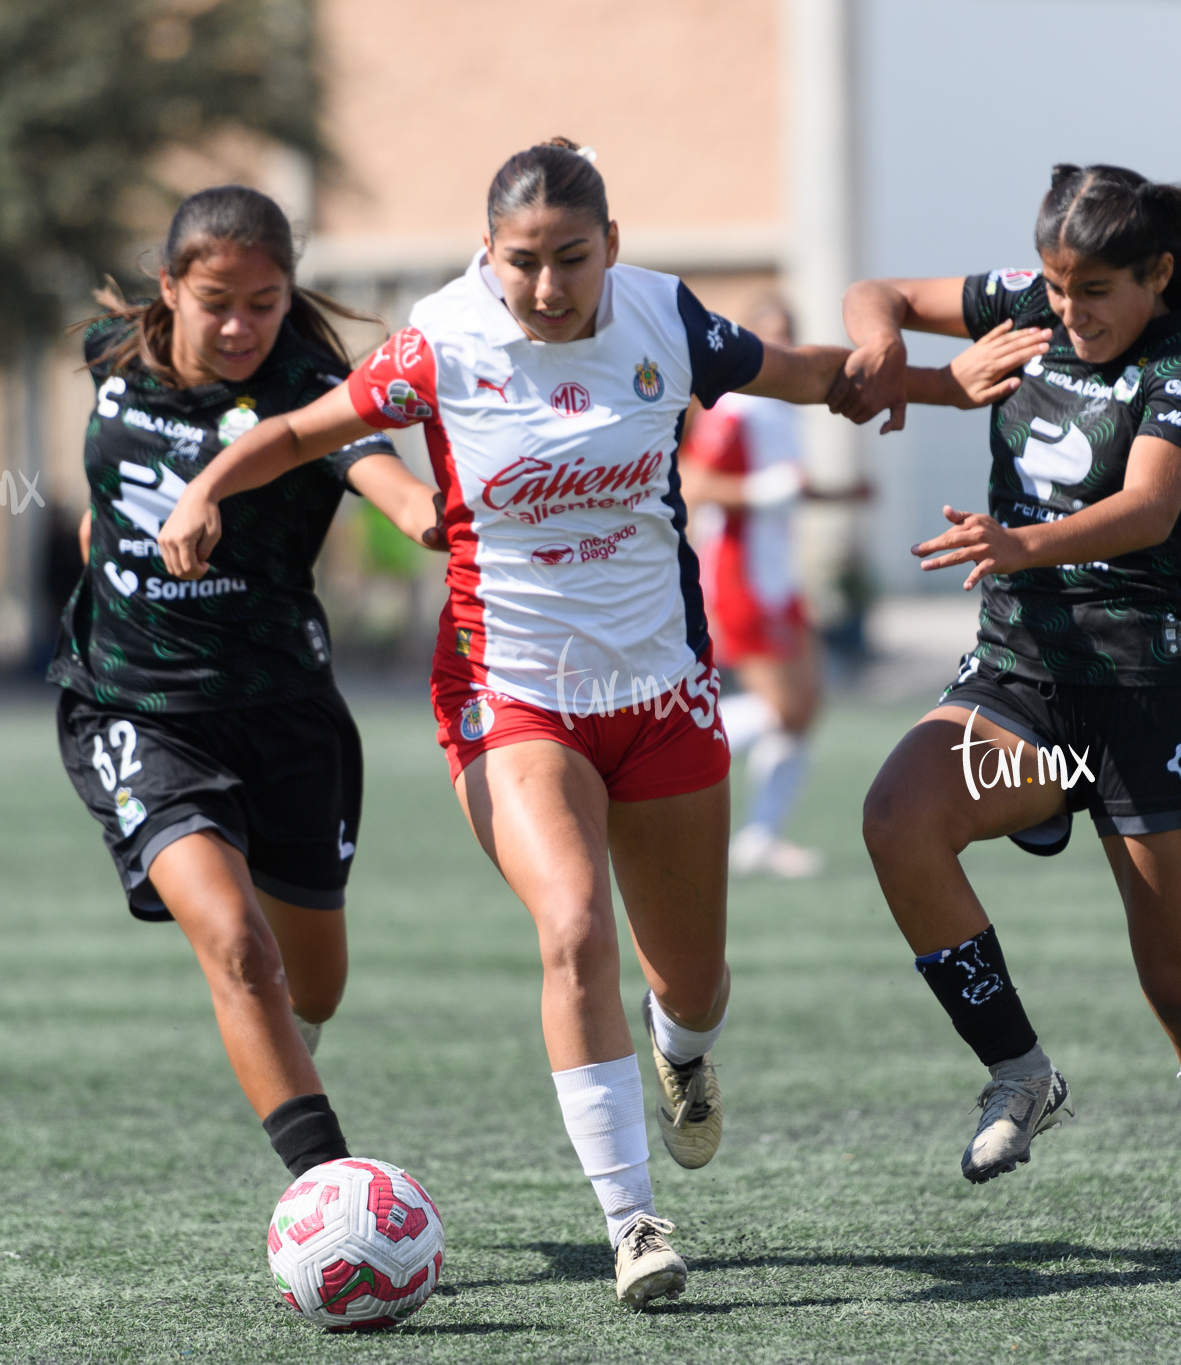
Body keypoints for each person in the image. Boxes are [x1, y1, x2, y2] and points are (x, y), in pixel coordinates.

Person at [155, 139, 857, 1308]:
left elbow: (806, 374)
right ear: (489, 256)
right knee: (572, 920)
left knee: (690, 980)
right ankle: (634, 1222)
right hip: (508, 688)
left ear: (610, 249)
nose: (543, 286)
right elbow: (299, 430)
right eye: (520, 262)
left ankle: (680, 1050)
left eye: (567, 259)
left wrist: (937, 383)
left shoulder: (661, 320)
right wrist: (202, 489)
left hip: (658, 687)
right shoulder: (441, 339)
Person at [837, 164, 1181, 1264]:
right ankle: (1019, 1071)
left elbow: (1147, 508)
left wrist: (1017, 544)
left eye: (1093, 291)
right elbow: (878, 294)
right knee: (899, 815)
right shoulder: (1031, 299)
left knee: (1179, 986)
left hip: (1146, 704)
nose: (1067, 311)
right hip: (1028, 698)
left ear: (1156, 275)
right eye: (1053, 285)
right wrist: (891, 365)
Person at [48, 186, 444, 1210]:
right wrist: (106, 542)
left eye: (263, 303)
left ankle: (281, 1037)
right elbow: (108, 487)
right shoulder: (108, 354)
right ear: (170, 286)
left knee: (311, 986)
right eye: (216, 300)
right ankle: (329, 1198)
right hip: (132, 706)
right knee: (235, 942)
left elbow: (385, 481)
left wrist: (433, 515)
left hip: (284, 711)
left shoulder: (311, 387)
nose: (238, 327)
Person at [679, 297, 864, 879]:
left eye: (789, 336)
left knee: (806, 707)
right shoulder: (734, 409)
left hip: (780, 575)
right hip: (740, 576)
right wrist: (762, 493)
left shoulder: (786, 412)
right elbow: (694, 484)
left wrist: (841, 496)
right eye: (770, 336)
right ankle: (670, 738)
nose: (780, 347)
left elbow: (788, 488)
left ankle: (761, 836)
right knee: (787, 707)